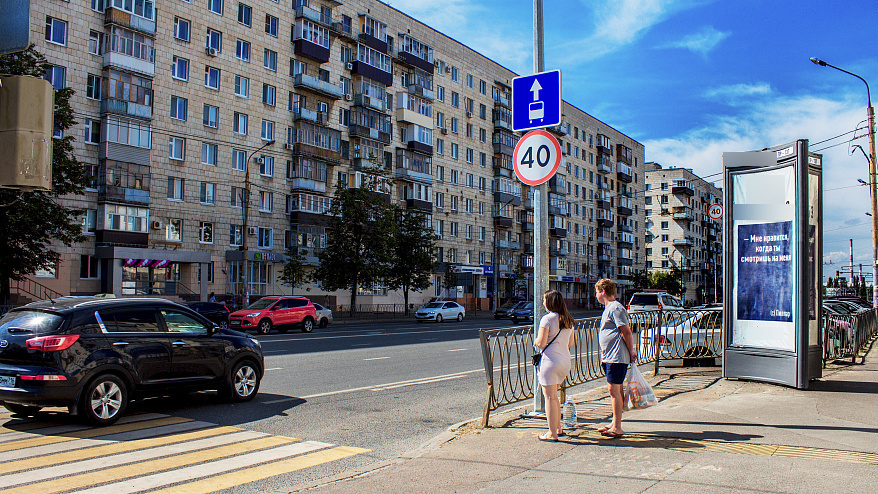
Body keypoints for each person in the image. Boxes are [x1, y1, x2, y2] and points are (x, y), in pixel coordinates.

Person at [594, 278, 635, 438]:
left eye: (597, 292)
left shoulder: (615, 308)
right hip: (611, 356)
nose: (596, 295)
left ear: (602, 291)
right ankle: (614, 422)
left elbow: (626, 331)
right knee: (616, 390)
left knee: (614, 390)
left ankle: (617, 427)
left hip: (617, 356)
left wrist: (631, 352)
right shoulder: (610, 308)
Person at [535, 289, 576, 442]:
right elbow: (570, 343)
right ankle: (558, 427)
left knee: (550, 398)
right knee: (555, 397)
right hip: (565, 362)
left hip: (550, 362)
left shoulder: (547, 319)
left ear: (550, 302)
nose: (543, 302)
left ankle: (552, 433)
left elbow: (541, 342)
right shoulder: (568, 320)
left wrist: (536, 342)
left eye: (544, 300)